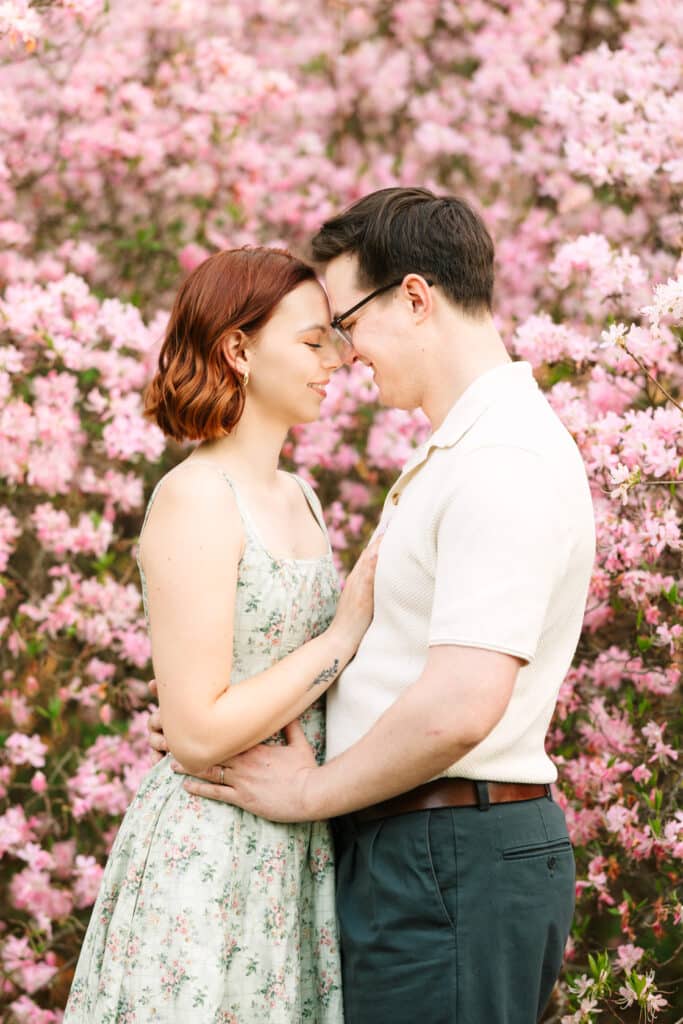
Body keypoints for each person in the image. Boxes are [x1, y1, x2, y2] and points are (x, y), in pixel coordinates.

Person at [152, 188, 597, 1024]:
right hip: (420, 851)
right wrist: (224, 710)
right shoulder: (459, 447)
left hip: (448, 850)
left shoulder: (500, 456)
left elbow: (462, 705)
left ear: (416, 298)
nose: (345, 352)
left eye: (348, 320)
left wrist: (307, 794)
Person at [63, 246, 380, 1024]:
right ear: (238, 349)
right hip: (208, 850)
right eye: (312, 341)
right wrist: (343, 636)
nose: (336, 359)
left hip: (289, 845)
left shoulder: (299, 495)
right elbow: (199, 731)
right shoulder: (196, 497)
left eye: (335, 339)